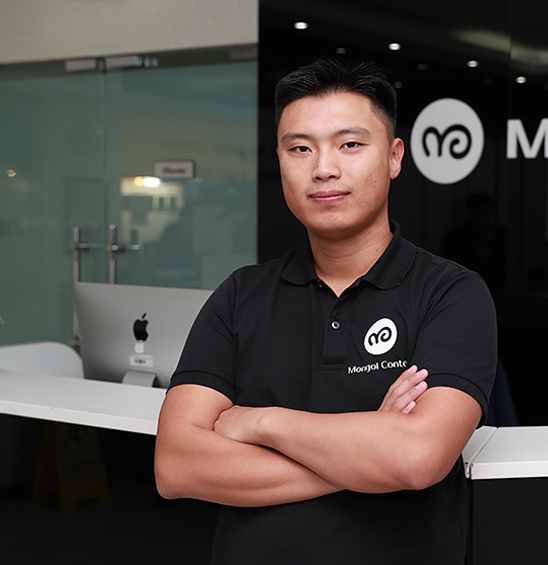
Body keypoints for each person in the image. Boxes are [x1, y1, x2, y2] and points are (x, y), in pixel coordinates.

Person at [154, 59, 497, 565]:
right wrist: (368, 447)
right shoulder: (240, 294)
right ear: (280, 159)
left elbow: (416, 459)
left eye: (350, 144)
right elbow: (176, 467)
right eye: (300, 148)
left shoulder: (451, 293)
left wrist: (261, 423)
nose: (323, 169)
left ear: (394, 157)